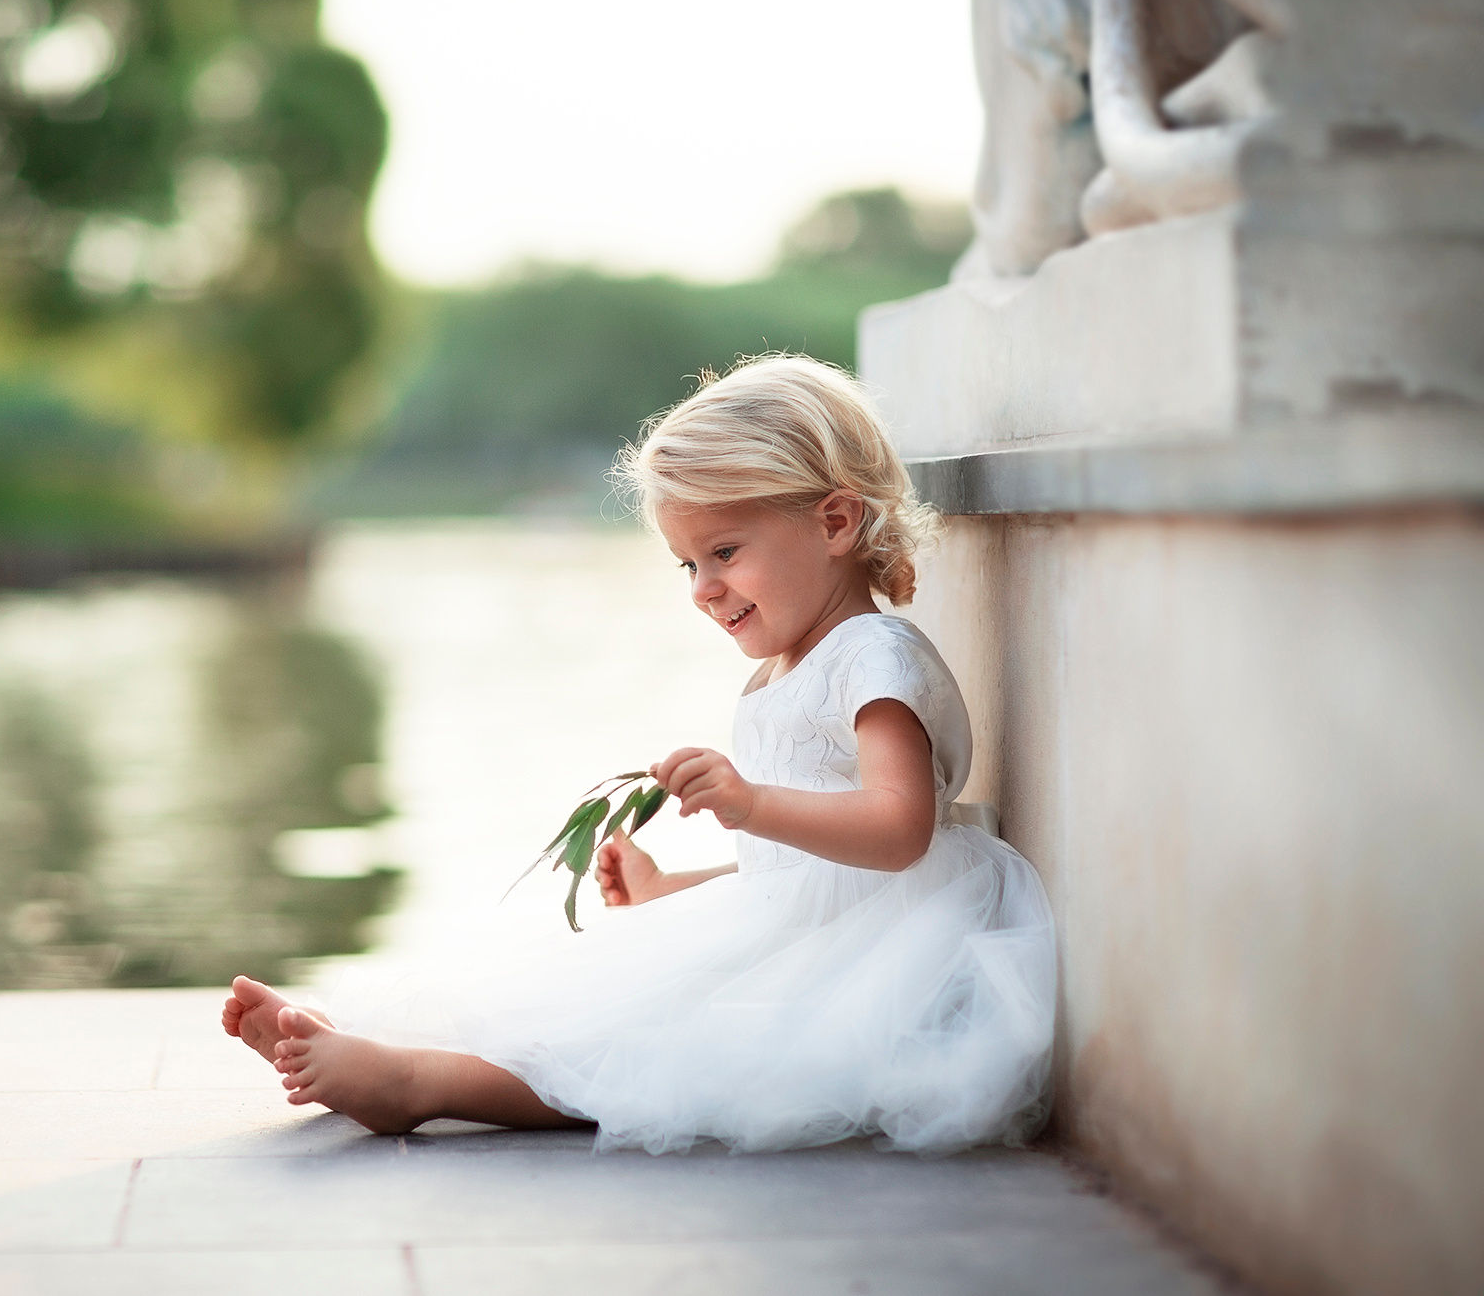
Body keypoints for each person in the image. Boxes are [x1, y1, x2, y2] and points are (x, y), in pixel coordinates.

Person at [222, 353, 1056, 1155]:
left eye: (725, 551)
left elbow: (898, 830)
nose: (702, 586)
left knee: (662, 1046)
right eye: (689, 562)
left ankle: (419, 1083)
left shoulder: (873, 655)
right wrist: (674, 887)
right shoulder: (788, 666)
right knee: (593, 994)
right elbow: (801, 876)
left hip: (885, 955)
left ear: (834, 521)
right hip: (827, 928)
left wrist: (750, 801)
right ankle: (385, 1040)